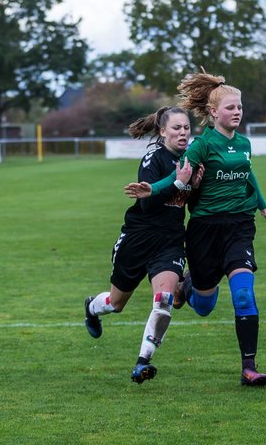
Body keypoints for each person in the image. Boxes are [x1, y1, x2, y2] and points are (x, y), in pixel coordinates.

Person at [125, 70, 266, 387]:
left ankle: (249, 367)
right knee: (205, 307)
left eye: (240, 107)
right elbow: (177, 178)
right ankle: (186, 287)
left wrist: (263, 207)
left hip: (239, 226)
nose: (237, 112)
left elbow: (249, 176)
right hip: (205, 231)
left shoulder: (245, 143)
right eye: (231, 108)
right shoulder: (201, 146)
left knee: (243, 294)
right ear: (213, 112)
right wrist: (152, 190)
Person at [83, 106, 197, 383]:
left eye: (186, 128)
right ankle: (92, 307)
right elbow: (148, 205)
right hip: (138, 239)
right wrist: (181, 185)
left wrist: (197, 186)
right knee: (116, 303)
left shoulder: (191, 159)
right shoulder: (153, 158)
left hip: (169, 241)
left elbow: (190, 199)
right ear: (162, 131)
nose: (183, 133)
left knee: (164, 300)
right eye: (176, 128)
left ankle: (142, 361)